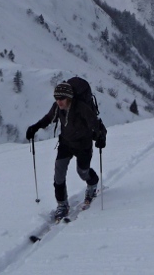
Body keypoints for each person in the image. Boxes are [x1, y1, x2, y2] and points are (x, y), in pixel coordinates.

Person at [26, 81, 106, 219]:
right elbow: (48, 118)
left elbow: (97, 124)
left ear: (69, 97)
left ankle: (92, 184)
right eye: (56, 99)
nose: (59, 102)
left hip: (83, 145)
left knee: (82, 172)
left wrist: (101, 137)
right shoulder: (57, 108)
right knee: (59, 174)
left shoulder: (82, 108)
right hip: (66, 144)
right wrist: (35, 127)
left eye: (61, 99)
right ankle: (62, 204)